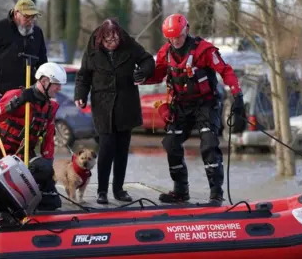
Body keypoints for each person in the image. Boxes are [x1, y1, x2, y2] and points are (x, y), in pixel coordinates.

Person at [137, 14, 246, 206]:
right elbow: (159, 75)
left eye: (178, 36)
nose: (176, 41)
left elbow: (226, 71)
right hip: (180, 105)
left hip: (206, 103)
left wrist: (237, 95)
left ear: (186, 30)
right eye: (171, 38)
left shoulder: (204, 50)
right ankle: (180, 191)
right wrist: (142, 77)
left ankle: (216, 193)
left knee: (208, 144)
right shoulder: (165, 53)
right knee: (171, 143)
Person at [74, 19, 155, 205]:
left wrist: (142, 72)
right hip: (102, 105)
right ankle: (102, 191)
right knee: (106, 148)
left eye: (115, 39)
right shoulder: (92, 50)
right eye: (108, 41)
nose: (112, 43)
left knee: (122, 151)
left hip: (126, 104)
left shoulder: (129, 45)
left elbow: (148, 60)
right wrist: (80, 94)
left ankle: (118, 189)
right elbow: (83, 75)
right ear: (101, 39)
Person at [0, 62, 67, 211]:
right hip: (2, 158)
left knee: (52, 202)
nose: (59, 88)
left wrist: (48, 162)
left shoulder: (50, 107)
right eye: (57, 84)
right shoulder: (16, 95)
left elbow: (48, 137)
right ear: (44, 81)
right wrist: (17, 102)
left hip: (26, 159)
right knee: (9, 202)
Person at [0, 0, 48, 100]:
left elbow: (43, 63)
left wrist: (43, 87)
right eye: (27, 17)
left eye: (33, 17)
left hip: (27, 94)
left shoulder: (37, 32)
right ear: (16, 13)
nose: (30, 21)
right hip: (0, 94)